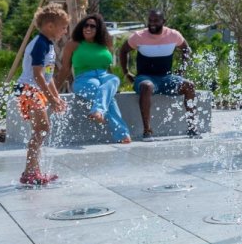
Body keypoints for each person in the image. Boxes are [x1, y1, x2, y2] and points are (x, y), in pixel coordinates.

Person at [118, 10, 200, 139]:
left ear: (163, 22)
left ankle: (192, 128)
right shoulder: (138, 36)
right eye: (150, 20)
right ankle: (147, 131)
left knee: (189, 85)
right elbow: (123, 51)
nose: (152, 24)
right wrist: (126, 72)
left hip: (167, 77)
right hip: (145, 77)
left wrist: (182, 68)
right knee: (147, 86)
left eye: (156, 21)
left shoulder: (173, 35)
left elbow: (186, 49)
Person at [57, 13, 132, 144]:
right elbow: (65, 69)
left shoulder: (105, 43)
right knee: (102, 92)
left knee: (114, 80)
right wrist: (52, 90)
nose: (88, 28)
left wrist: (110, 88)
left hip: (104, 76)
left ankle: (98, 110)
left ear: (99, 30)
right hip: (84, 79)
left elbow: (108, 67)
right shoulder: (73, 44)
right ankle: (122, 134)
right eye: (86, 25)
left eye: (93, 26)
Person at [16, 4, 69, 184]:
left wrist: (57, 97)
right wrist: (51, 98)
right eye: (63, 27)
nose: (65, 30)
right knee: (42, 129)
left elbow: (48, 77)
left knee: (40, 130)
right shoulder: (40, 44)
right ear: (50, 26)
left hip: (35, 90)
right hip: (28, 90)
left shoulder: (49, 45)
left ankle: (33, 171)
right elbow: (37, 74)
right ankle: (29, 172)